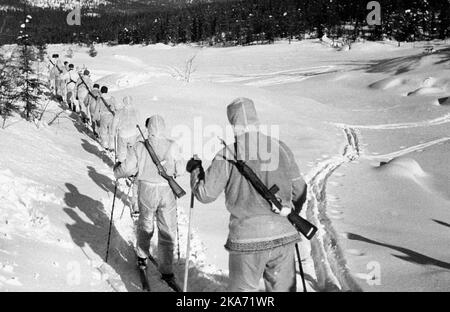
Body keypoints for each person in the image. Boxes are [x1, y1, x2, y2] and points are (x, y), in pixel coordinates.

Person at [186, 97, 307, 292]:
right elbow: (300, 189)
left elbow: (205, 194)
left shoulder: (228, 154)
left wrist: (195, 171)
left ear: (233, 124)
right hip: (284, 235)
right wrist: (289, 213)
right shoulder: (281, 148)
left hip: (247, 241)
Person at [113, 115, 182, 287]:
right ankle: (167, 268)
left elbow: (128, 169)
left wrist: (117, 171)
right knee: (167, 229)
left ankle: (142, 258)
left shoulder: (139, 146)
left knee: (146, 224)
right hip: (167, 190)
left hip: (146, 190)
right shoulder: (172, 145)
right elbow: (180, 169)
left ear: (148, 128)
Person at [97, 86, 117, 151]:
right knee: (111, 131)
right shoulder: (112, 98)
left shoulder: (99, 98)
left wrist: (95, 117)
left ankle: (105, 144)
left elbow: (97, 109)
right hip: (111, 116)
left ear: (101, 91)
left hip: (103, 116)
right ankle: (111, 146)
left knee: (104, 131)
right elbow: (116, 108)